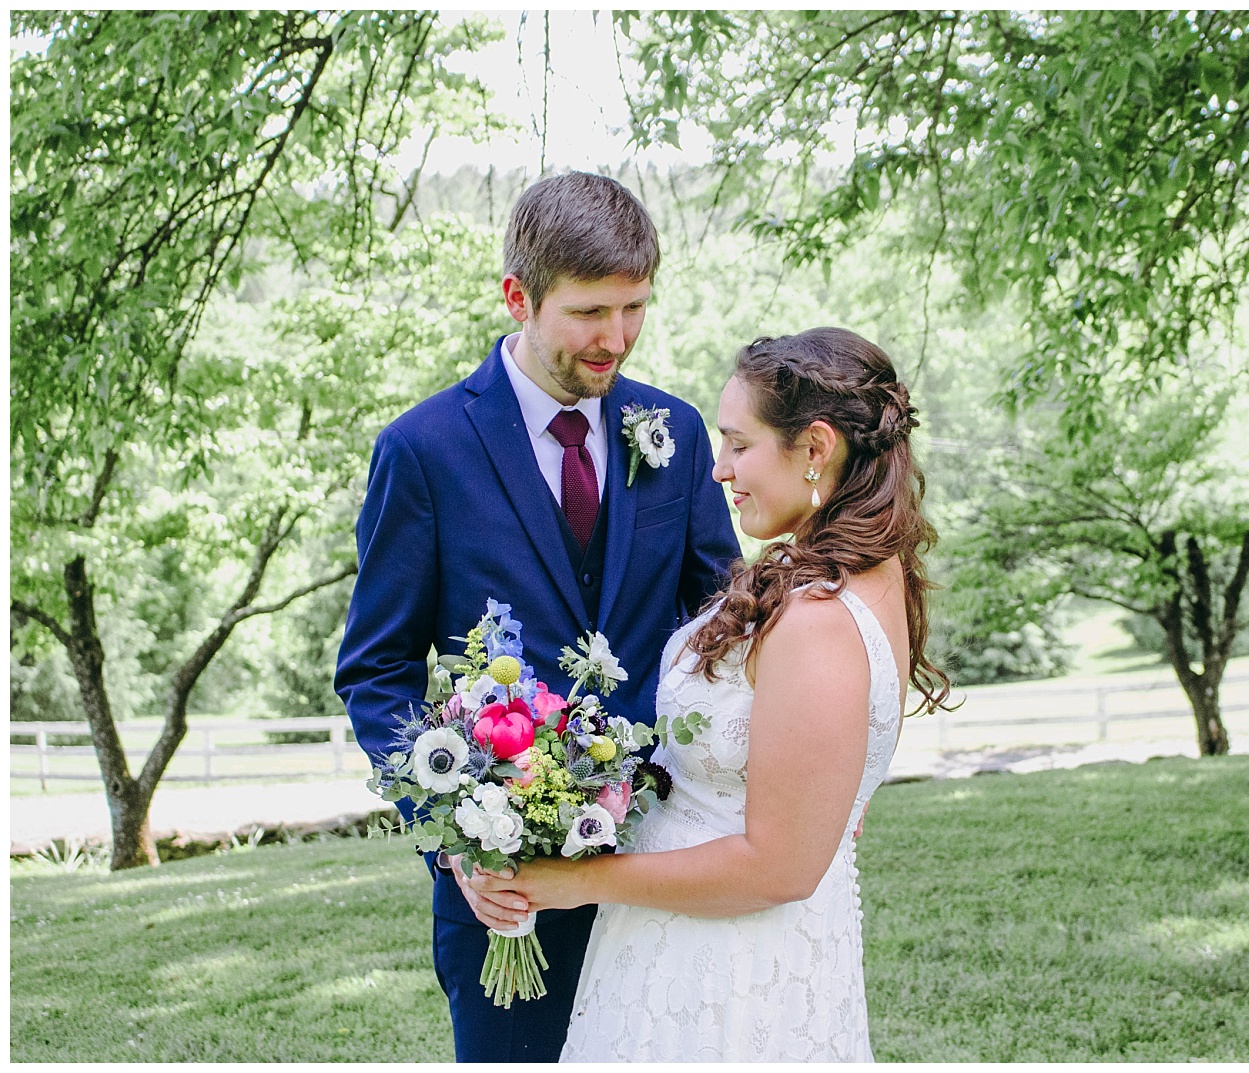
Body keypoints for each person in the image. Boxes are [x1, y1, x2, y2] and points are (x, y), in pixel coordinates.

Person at [334, 171, 742, 1062]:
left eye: (635, 306)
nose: (618, 337)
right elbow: (375, 667)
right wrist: (452, 837)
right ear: (519, 296)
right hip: (504, 886)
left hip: (665, 860)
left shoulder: (671, 428)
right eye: (591, 312)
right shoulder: (423, 448)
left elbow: (727, 623)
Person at [466, 326, 953, 1061]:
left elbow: (778, 865)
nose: (719, 469)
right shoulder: (857, 575)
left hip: (730, 976)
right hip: (689, 943)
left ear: (815, 447)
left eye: (738, 443)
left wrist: (574, 881)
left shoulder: (819, 621)